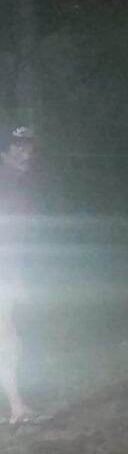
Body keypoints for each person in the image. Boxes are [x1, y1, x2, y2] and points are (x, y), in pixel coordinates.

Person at [0, 127, 37, 422]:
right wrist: (15, 276)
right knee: (8, 340)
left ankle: (16, 407)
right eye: (18, 148)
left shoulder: (15, 186)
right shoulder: (5, 185)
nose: (26, 155)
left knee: (10, 338)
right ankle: (17, 408)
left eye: (29, 149)